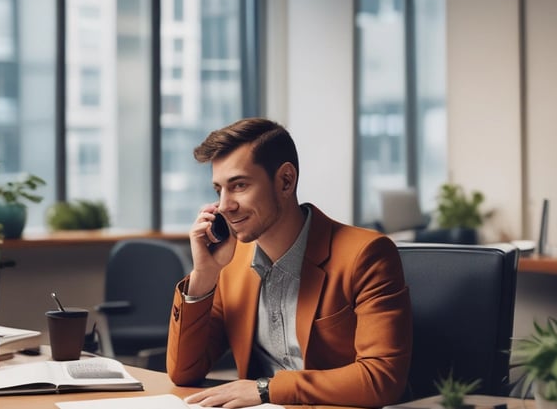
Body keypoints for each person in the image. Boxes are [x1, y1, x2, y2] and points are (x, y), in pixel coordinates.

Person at [166, 118, 412, 408]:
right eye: (218, 190)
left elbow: (381, 378)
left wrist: (266, 389)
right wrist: (204, 275)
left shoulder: (367, 255)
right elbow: (184, 371)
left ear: (285, 181)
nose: (223, 206)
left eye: (239, 185)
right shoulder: (231, 263)